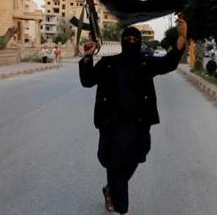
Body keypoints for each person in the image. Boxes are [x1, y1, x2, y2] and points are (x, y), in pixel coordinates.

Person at [79, 14, 187, 215]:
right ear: (122, 42)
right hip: (112, 123)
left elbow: (169, 63)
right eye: (128, 39)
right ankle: (123, 209)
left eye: (135, 39)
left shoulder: (146, 63)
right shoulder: (109, 62)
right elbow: (87, 80)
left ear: (140, 42)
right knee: (114, 164)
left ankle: (112, 190)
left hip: (139, 123)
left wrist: (181, 37)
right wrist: (88, 57)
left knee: (136, 158)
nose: (131, 42)